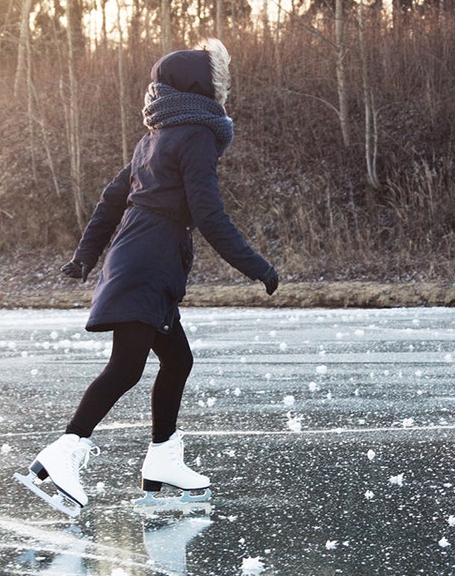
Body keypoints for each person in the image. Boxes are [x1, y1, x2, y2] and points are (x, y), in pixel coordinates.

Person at [18, 38, 278, 515]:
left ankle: (163, 459)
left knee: (177, 360)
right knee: (127, 367)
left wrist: (85, 257)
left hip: (138, 257)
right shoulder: (194, 135)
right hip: (149, 260)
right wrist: (254, 264)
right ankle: (64, 451)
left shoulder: (154, 139)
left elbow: (110, 198)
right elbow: (208, 211)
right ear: (206, 90)